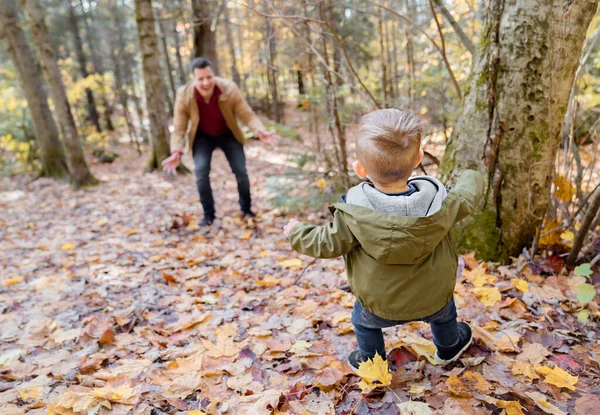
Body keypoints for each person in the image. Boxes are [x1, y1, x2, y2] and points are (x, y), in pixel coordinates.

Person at [283, 109, 485, 370]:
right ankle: (448, 347)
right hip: (434, 296)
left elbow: (325, 242)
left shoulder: (355, 213)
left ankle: (372, 361)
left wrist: (296, 231)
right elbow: (467, 196)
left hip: (379, 303)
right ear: (418, 159)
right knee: (445, 314)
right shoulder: (442, 203)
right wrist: (473, 175)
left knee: (362, 321)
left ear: (360, 169)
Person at [162, 57, 279, 226]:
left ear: (214, 75)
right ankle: (208, 215)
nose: (206, 83)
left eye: (209, 77)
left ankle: (246, 210)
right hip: (202, 136)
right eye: (200, 79)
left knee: (241, 172)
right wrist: (176, 152)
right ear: (193, 79)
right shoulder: (184, 95)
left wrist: (259, 130)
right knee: (201, 172)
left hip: (227, 133)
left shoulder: (229, 89)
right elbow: (179, 128)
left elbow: (247, 114)